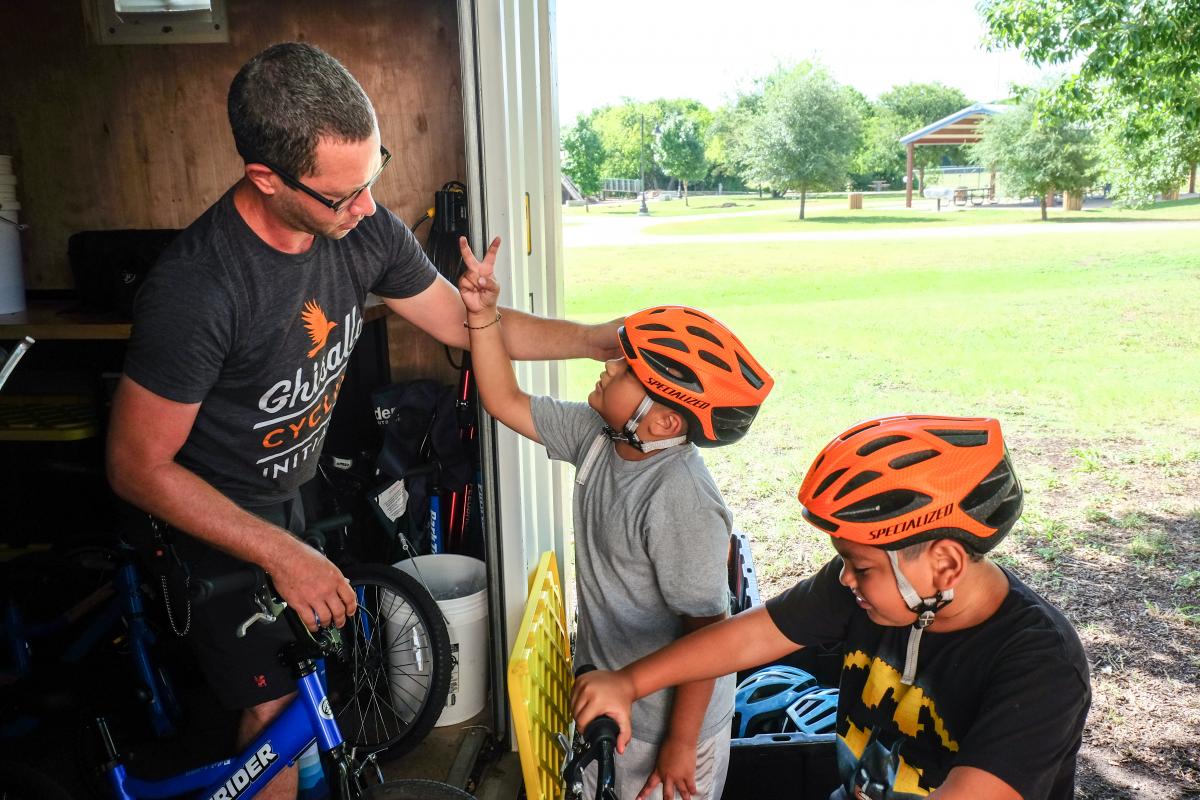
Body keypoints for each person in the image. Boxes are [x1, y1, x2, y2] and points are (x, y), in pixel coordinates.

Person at [105, 42, 618, 800]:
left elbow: (463, 325)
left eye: (374, 173)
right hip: (210, 515)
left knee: (314, 679)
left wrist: (598, 339)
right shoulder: (199, 290)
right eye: (342, 196)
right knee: (275, 707)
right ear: (266, 179)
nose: (368, 208)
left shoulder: (361, 227)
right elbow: (136, 466)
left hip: (294, 488)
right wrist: (279, 554)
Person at [573, 415, 1091, 800]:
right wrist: (629, 682)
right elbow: (751, 636)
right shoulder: (873, 595)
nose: (846, 579)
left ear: (945, 564)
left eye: (861, 566)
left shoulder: (1041, 668)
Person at [457, 237, 775, 800]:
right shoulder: (597, 437)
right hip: (611, 699)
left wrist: (680, 742)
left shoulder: (680, 498)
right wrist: (483, 318)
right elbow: (504, 399)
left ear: (662, 423)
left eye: (627, 370)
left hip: (671, 727)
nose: (607, 367)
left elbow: (708, 631)